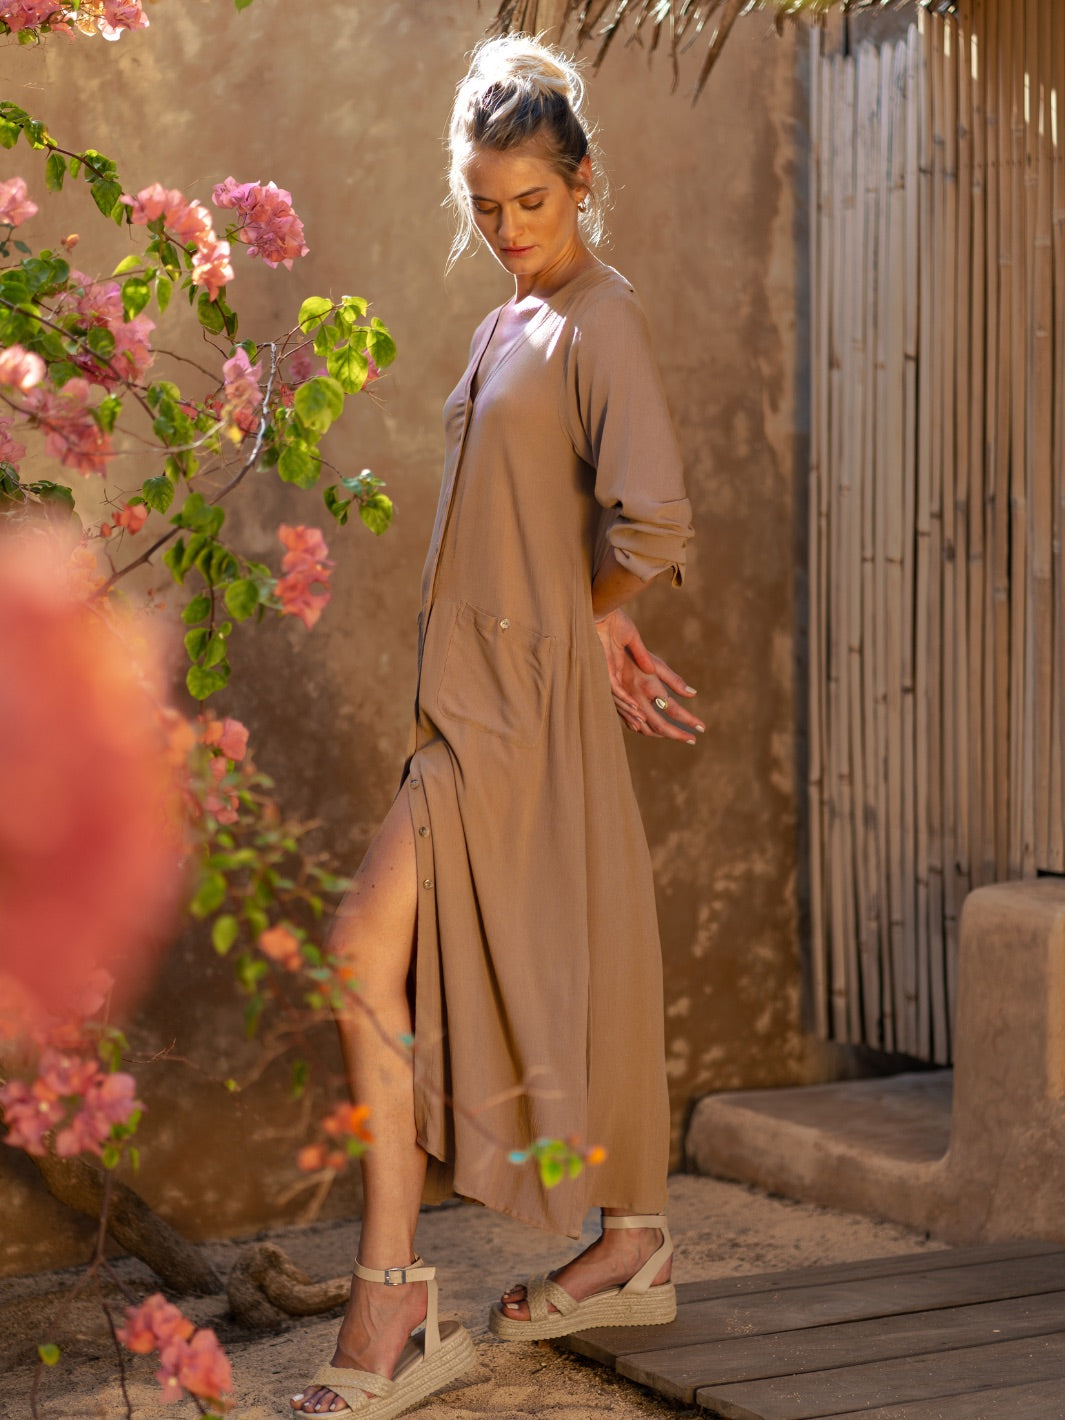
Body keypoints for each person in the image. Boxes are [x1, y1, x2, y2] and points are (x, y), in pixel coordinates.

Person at [291, 32, 701, 1418]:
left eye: (530, 202)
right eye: (483, 206)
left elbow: (653, 517)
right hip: (463, 701)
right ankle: (630, 1236)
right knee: (576, 945)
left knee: (376, 950)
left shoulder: (602, 319)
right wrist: (578, 612)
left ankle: (392, 1301)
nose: (508, 230)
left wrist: (593, 610)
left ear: (580, 183)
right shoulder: (500, 324)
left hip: (510, 716)